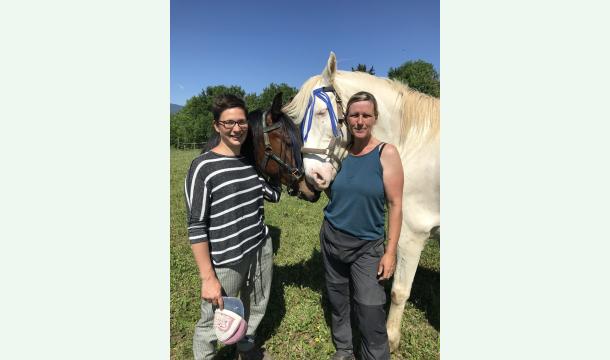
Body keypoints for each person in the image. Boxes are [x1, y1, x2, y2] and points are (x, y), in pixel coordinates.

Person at [184, 94, 280, 360]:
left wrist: (275, 168)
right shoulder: (202, 167)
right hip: (226, 259)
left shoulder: (250, 163)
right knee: (214, 321)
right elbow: (196, 226)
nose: (236, 128)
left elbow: (273, 195)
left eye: (241, 122)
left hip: (260, 247)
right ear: (217, 126)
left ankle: (246, 346)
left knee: (255, 304)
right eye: (228, 123)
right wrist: (208, 277)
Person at [321, 91, 404, 360]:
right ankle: (344, 349)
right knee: (338, 299)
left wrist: (390, 252)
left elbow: (395, 204)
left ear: (375, 118)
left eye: (365, 115)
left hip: (367, 246)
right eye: (354, 115)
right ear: (346, 119)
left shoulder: (386, 152)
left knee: (370, 308)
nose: (359, 121)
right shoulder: (339, 151)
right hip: (332, 238)